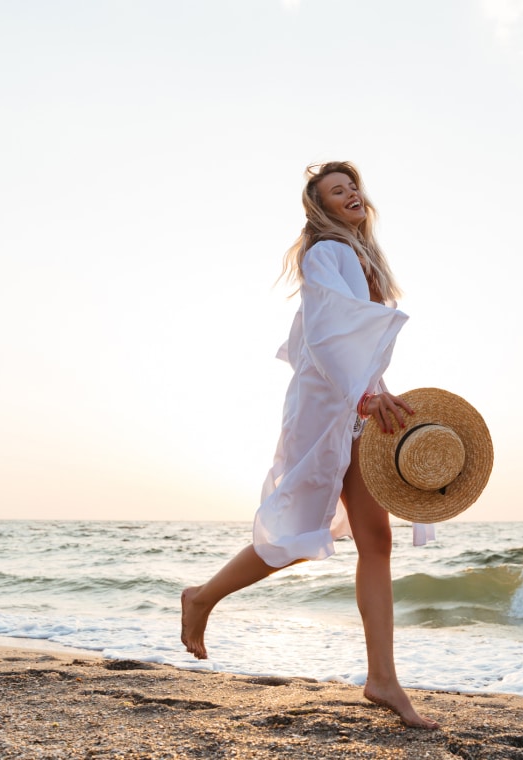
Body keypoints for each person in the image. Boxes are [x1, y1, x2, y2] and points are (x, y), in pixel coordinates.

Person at [180, 161, 438, 730]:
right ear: (320, 208)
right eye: (336, 191)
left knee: (377, 540)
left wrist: (377, 392)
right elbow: (326, 336)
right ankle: (201, 597)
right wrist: (365, 398)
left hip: (355, 403)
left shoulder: (362, 256)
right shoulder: (326, 252)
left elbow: (358, 343)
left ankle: (382, 680)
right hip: (326, 410)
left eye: (353, 188)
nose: (351, 195)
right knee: (301, 533)